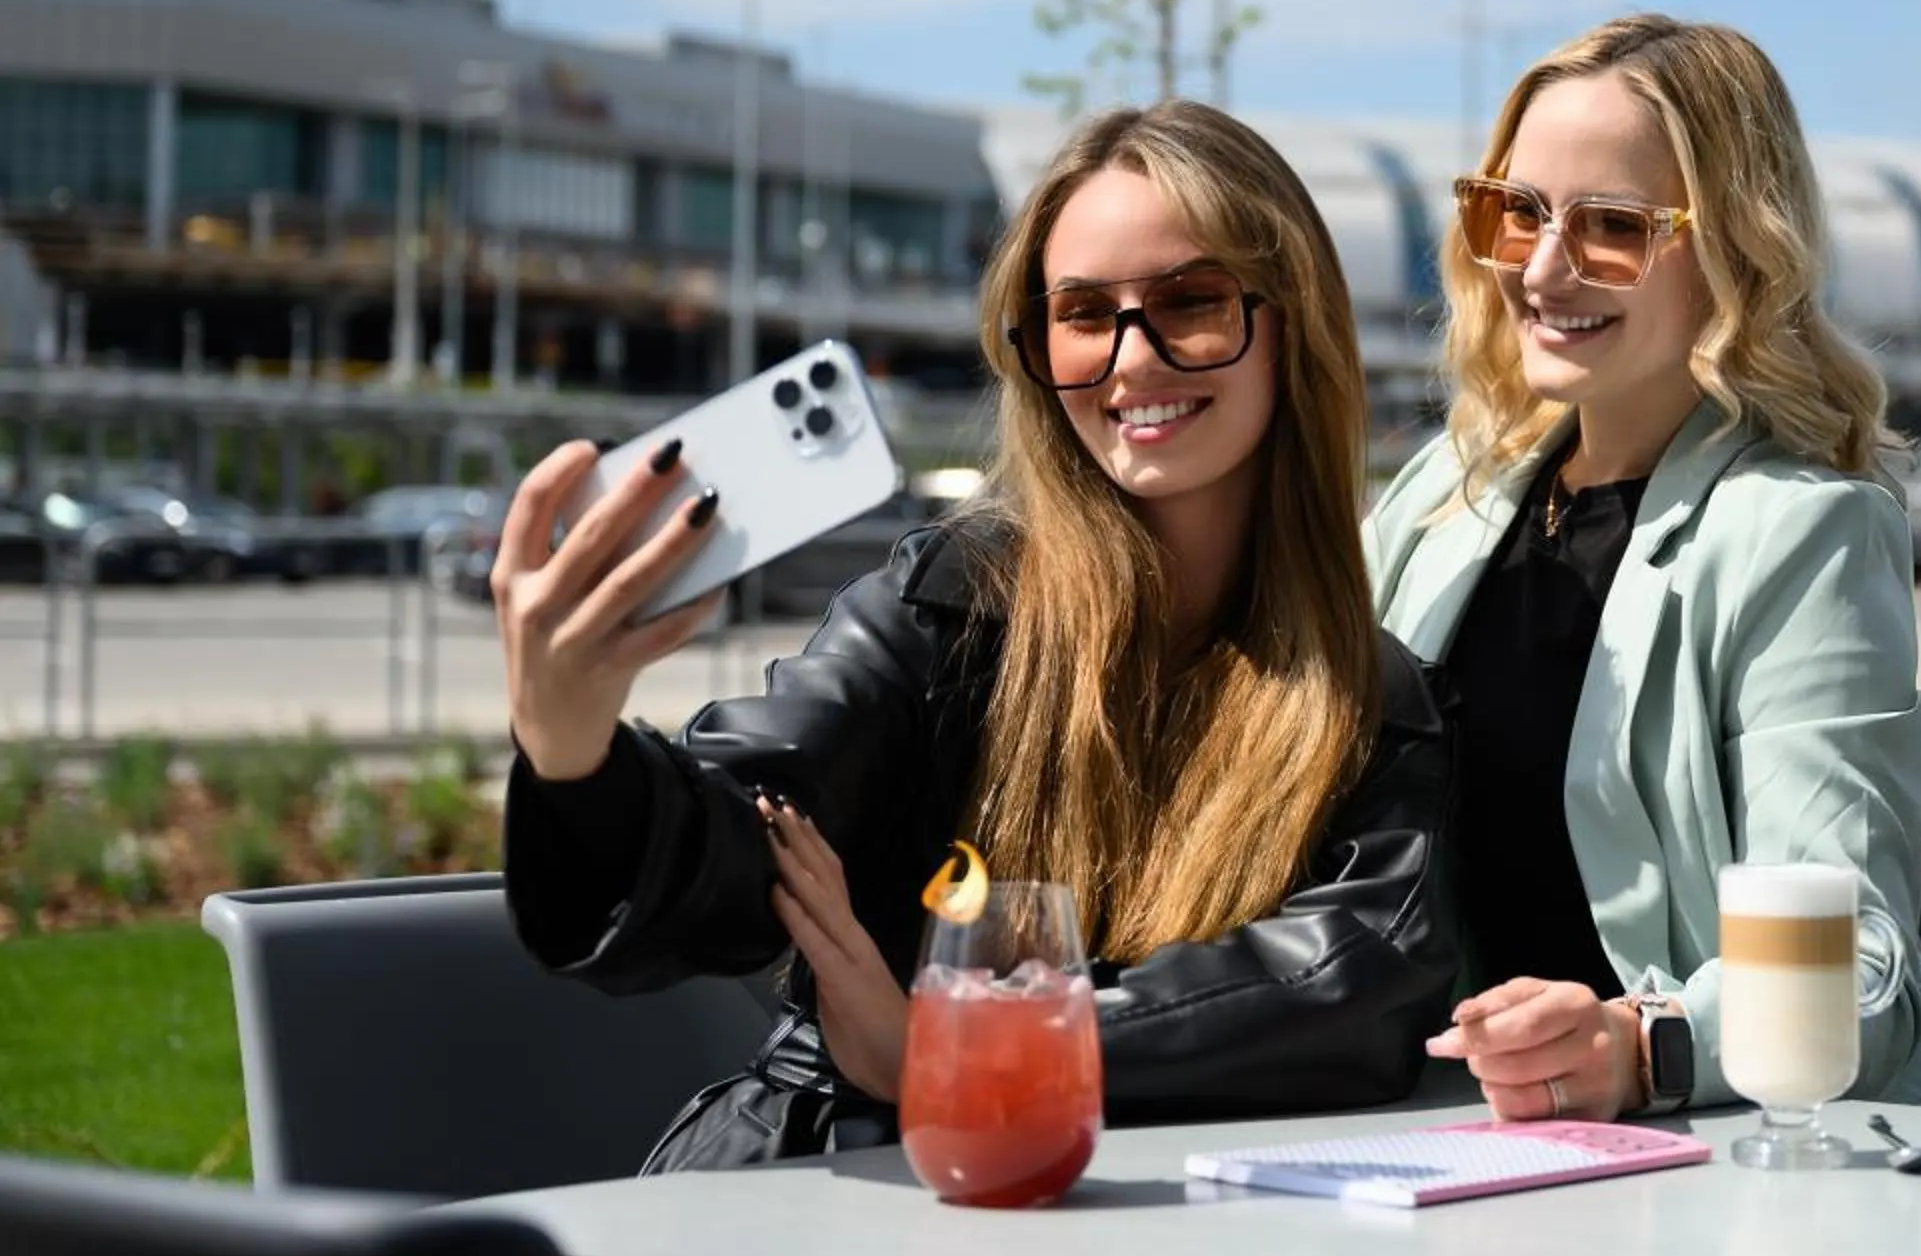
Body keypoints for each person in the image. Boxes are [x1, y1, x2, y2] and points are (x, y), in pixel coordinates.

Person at [498, 101, 1457, 1169]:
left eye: (1191, 300)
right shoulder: (952, 602)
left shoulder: (1370, 698)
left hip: (1150, 1224)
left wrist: (957, 1044)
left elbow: (1354, 989)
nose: (1132, 361)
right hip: (831, 1183)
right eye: (1084, 313)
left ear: (1295, 326)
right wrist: (571, 747)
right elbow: (745, 833)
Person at [1368, 14, 1921, 1123]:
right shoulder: (1446, 494)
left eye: (1613, 227)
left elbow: (1852, 957)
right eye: (1517, 209)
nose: (1543, 265)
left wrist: (1638, 1045)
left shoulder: (1805, 531)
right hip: (1495, 1146)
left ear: (1735, 246)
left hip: (1783, 1154)